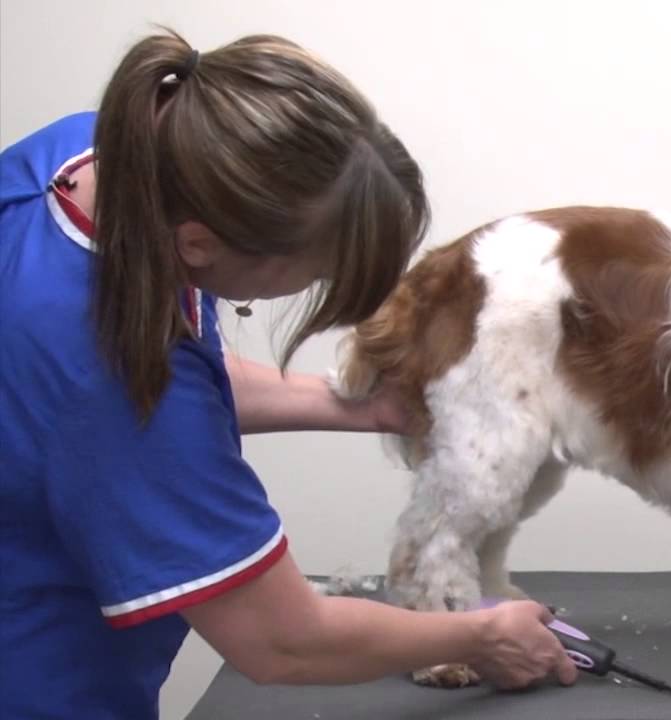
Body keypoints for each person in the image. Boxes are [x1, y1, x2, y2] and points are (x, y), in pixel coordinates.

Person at [0, 29, 577, 719]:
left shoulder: (112, 156)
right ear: (198, 244)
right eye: (318, 273)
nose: (318, 289)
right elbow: (283, 642)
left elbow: (134, 391)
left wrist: (359, 407)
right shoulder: (112, 376)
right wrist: (485, 634)